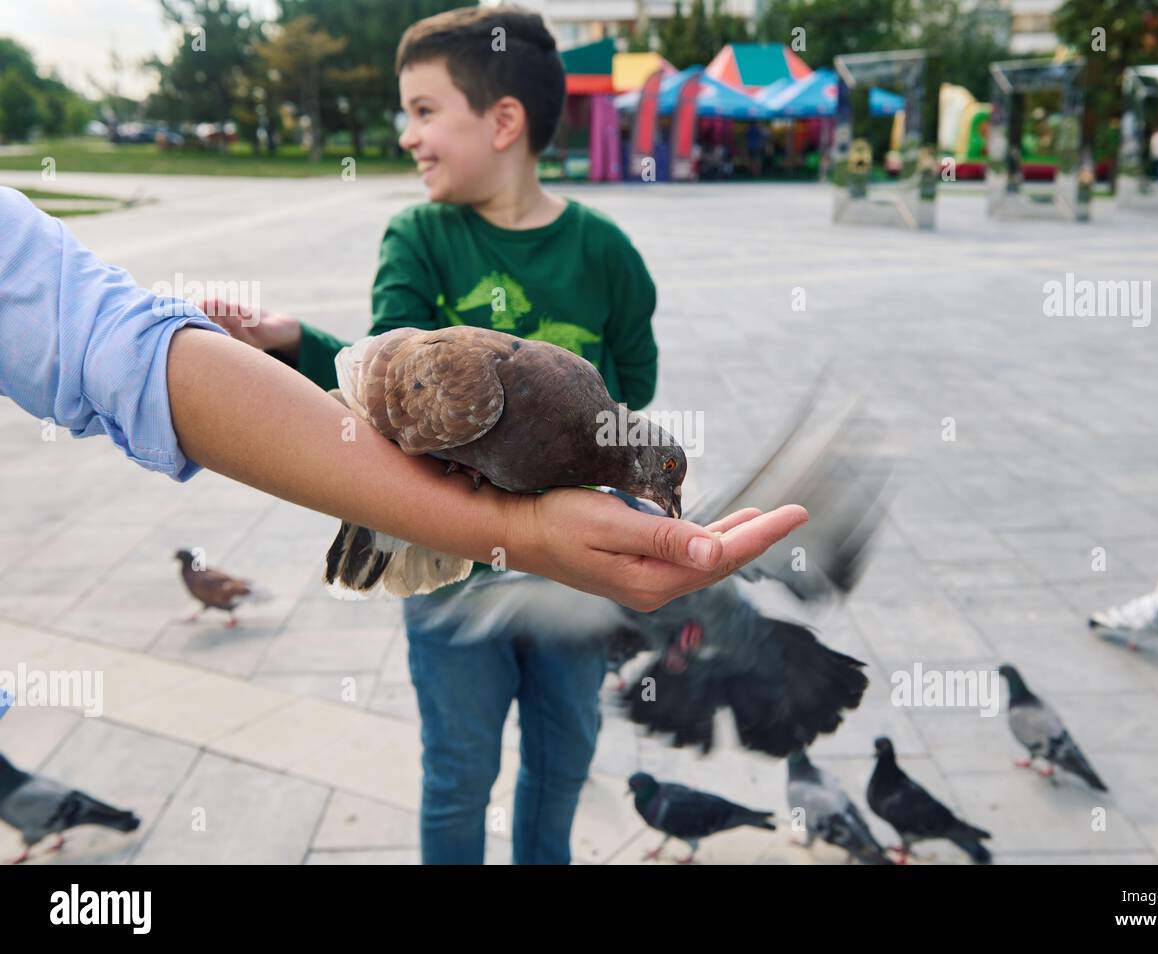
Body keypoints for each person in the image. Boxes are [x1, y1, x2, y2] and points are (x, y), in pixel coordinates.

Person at [198, 6, 793, 865]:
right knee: (459, 771)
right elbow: (386, 391)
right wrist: (292, 343)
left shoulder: (607, 254)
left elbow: (632, 393)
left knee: (563, 759)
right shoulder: (422, 239)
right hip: (451, 578)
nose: (408, 135)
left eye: (425, 111)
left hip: (570, 582)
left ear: (503, 121)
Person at [0, 186, 805, 614]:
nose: (665, 495)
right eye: (664, 476)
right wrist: (512, 530)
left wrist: (523, 531)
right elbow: (376, 382)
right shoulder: (500, 380)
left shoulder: (593, 407)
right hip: (417, 409)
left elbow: (114, 346)